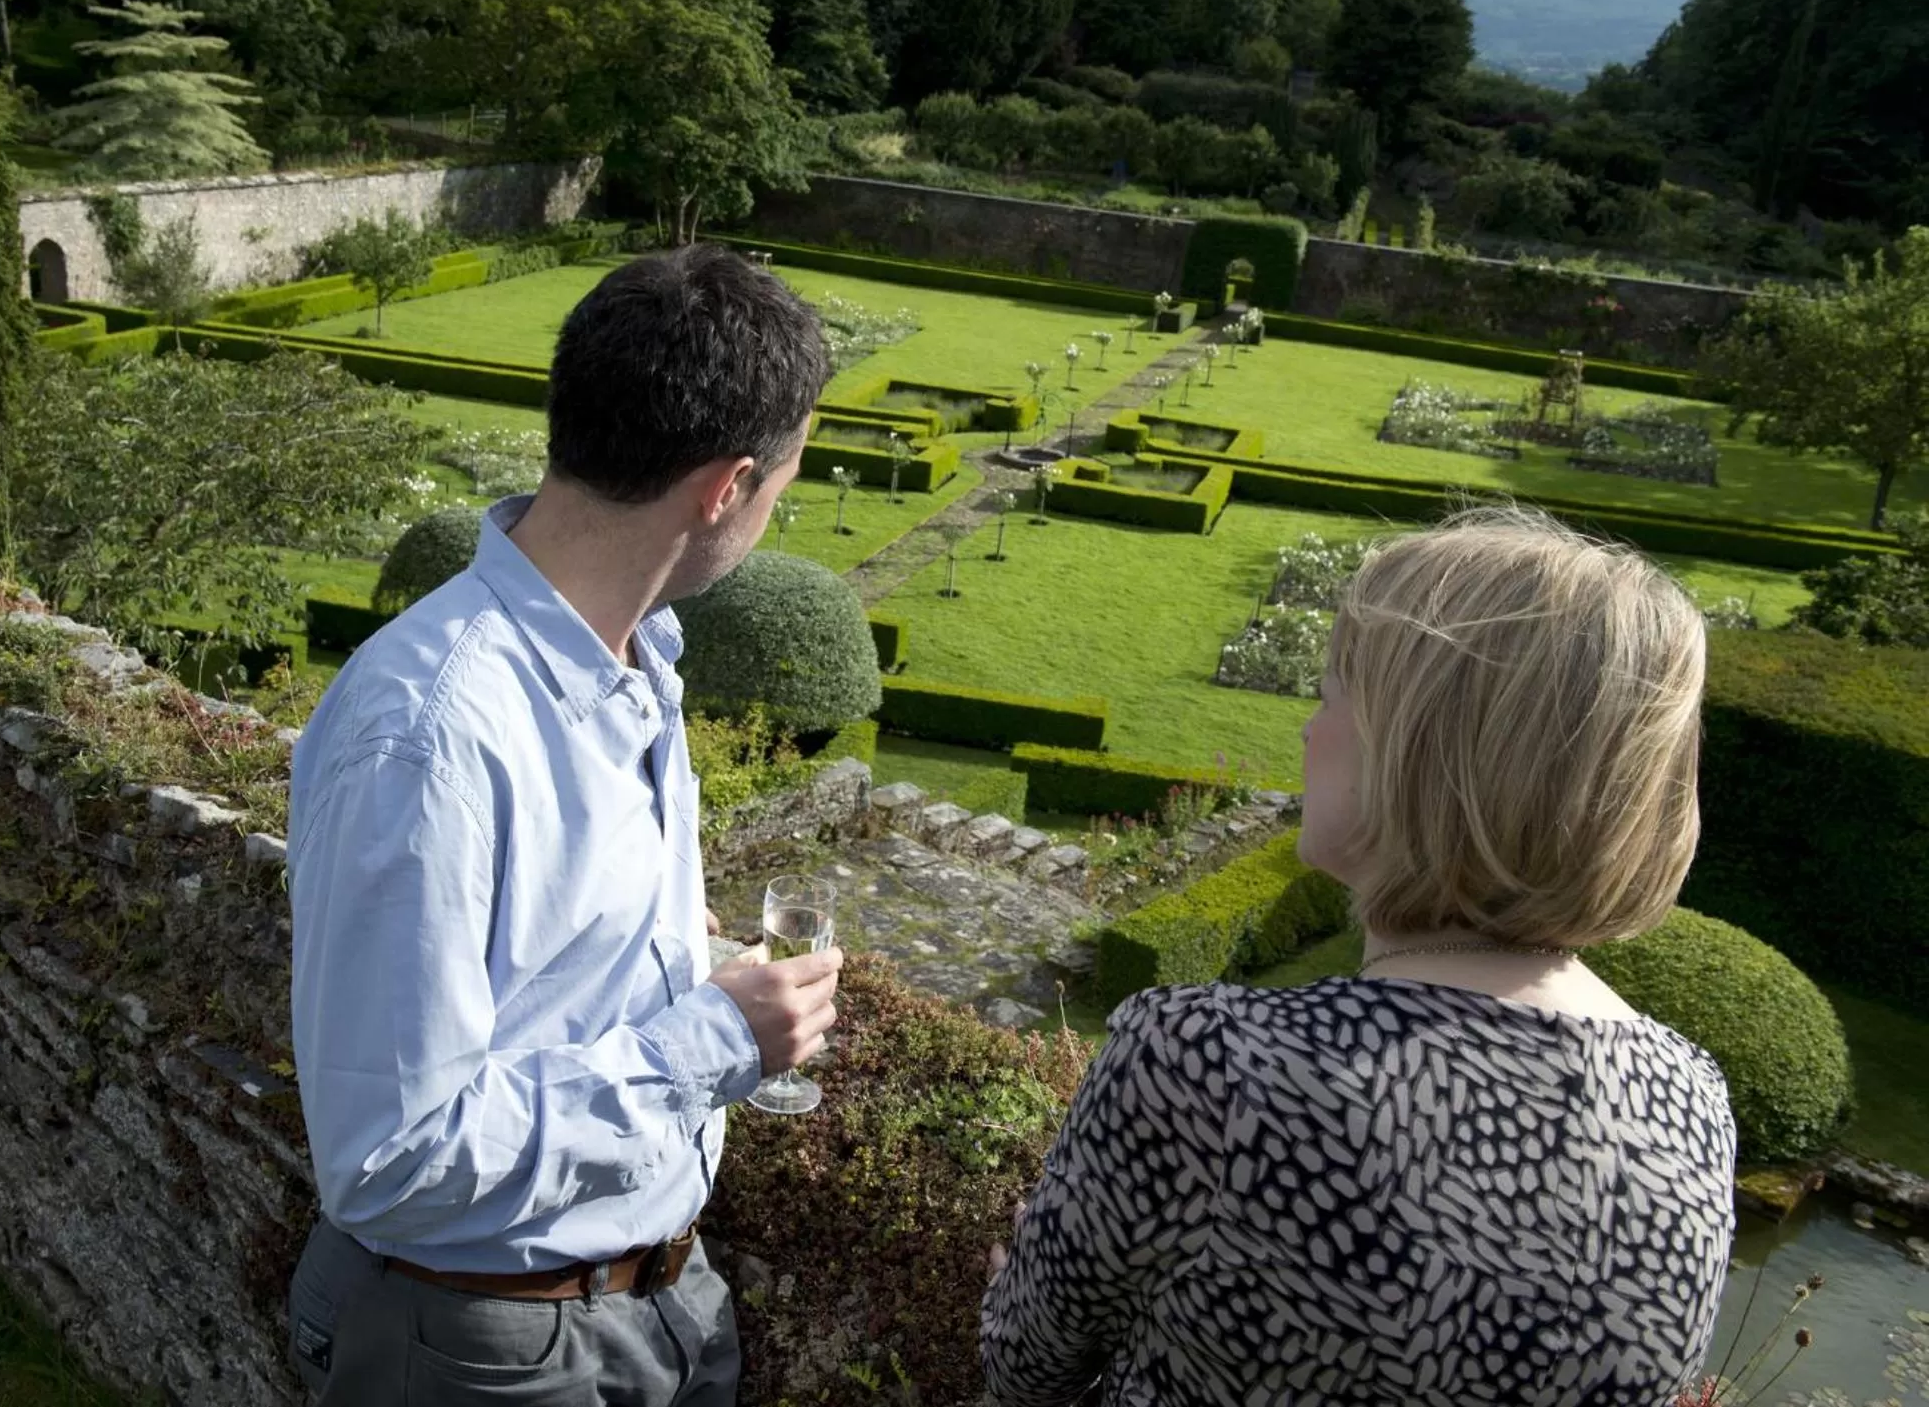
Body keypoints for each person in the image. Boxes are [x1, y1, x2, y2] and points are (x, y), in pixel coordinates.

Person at [981, 507, 1737, 1406]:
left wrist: (1019, 1289)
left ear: (1420, 753)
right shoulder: (1691, 1102)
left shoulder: (1212, 1068)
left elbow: (1025, 1370)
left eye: (1334, 695)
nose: (1308, 731)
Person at [283, 245, 844, 1406]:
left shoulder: (631, 656)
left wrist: (673, 957)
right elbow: (389, 1162)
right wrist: (712, 1043)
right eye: (784, 484)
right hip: (485, 1350)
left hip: (650, 1308)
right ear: (726, 487)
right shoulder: (429, 733)